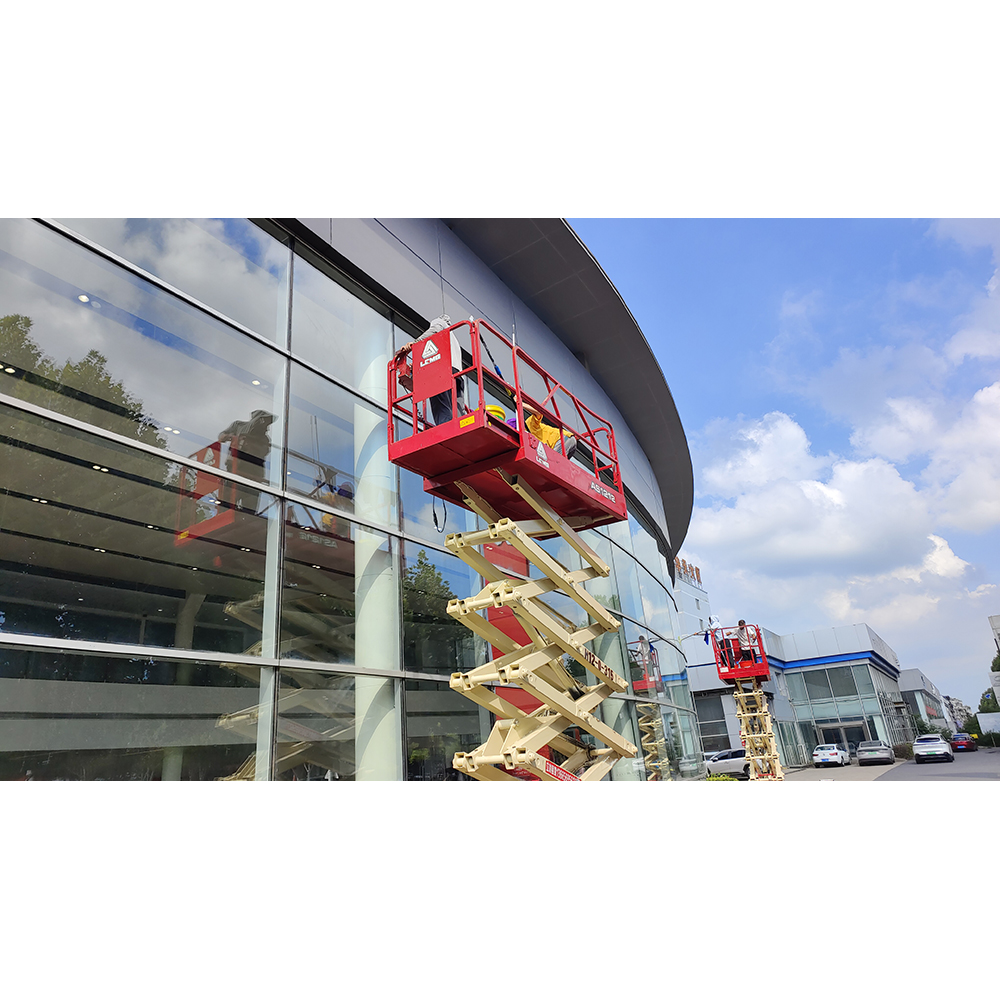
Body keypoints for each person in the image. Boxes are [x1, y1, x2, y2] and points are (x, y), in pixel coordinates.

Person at [393, 314, 466, 427]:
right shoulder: (453, 337)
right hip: (457, 372)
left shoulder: (439, 322)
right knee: (457, 408)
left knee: (441, 405)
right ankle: (461, 427)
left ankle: (445, 429)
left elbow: (435, 330)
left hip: (443, 369)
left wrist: (415, 343)